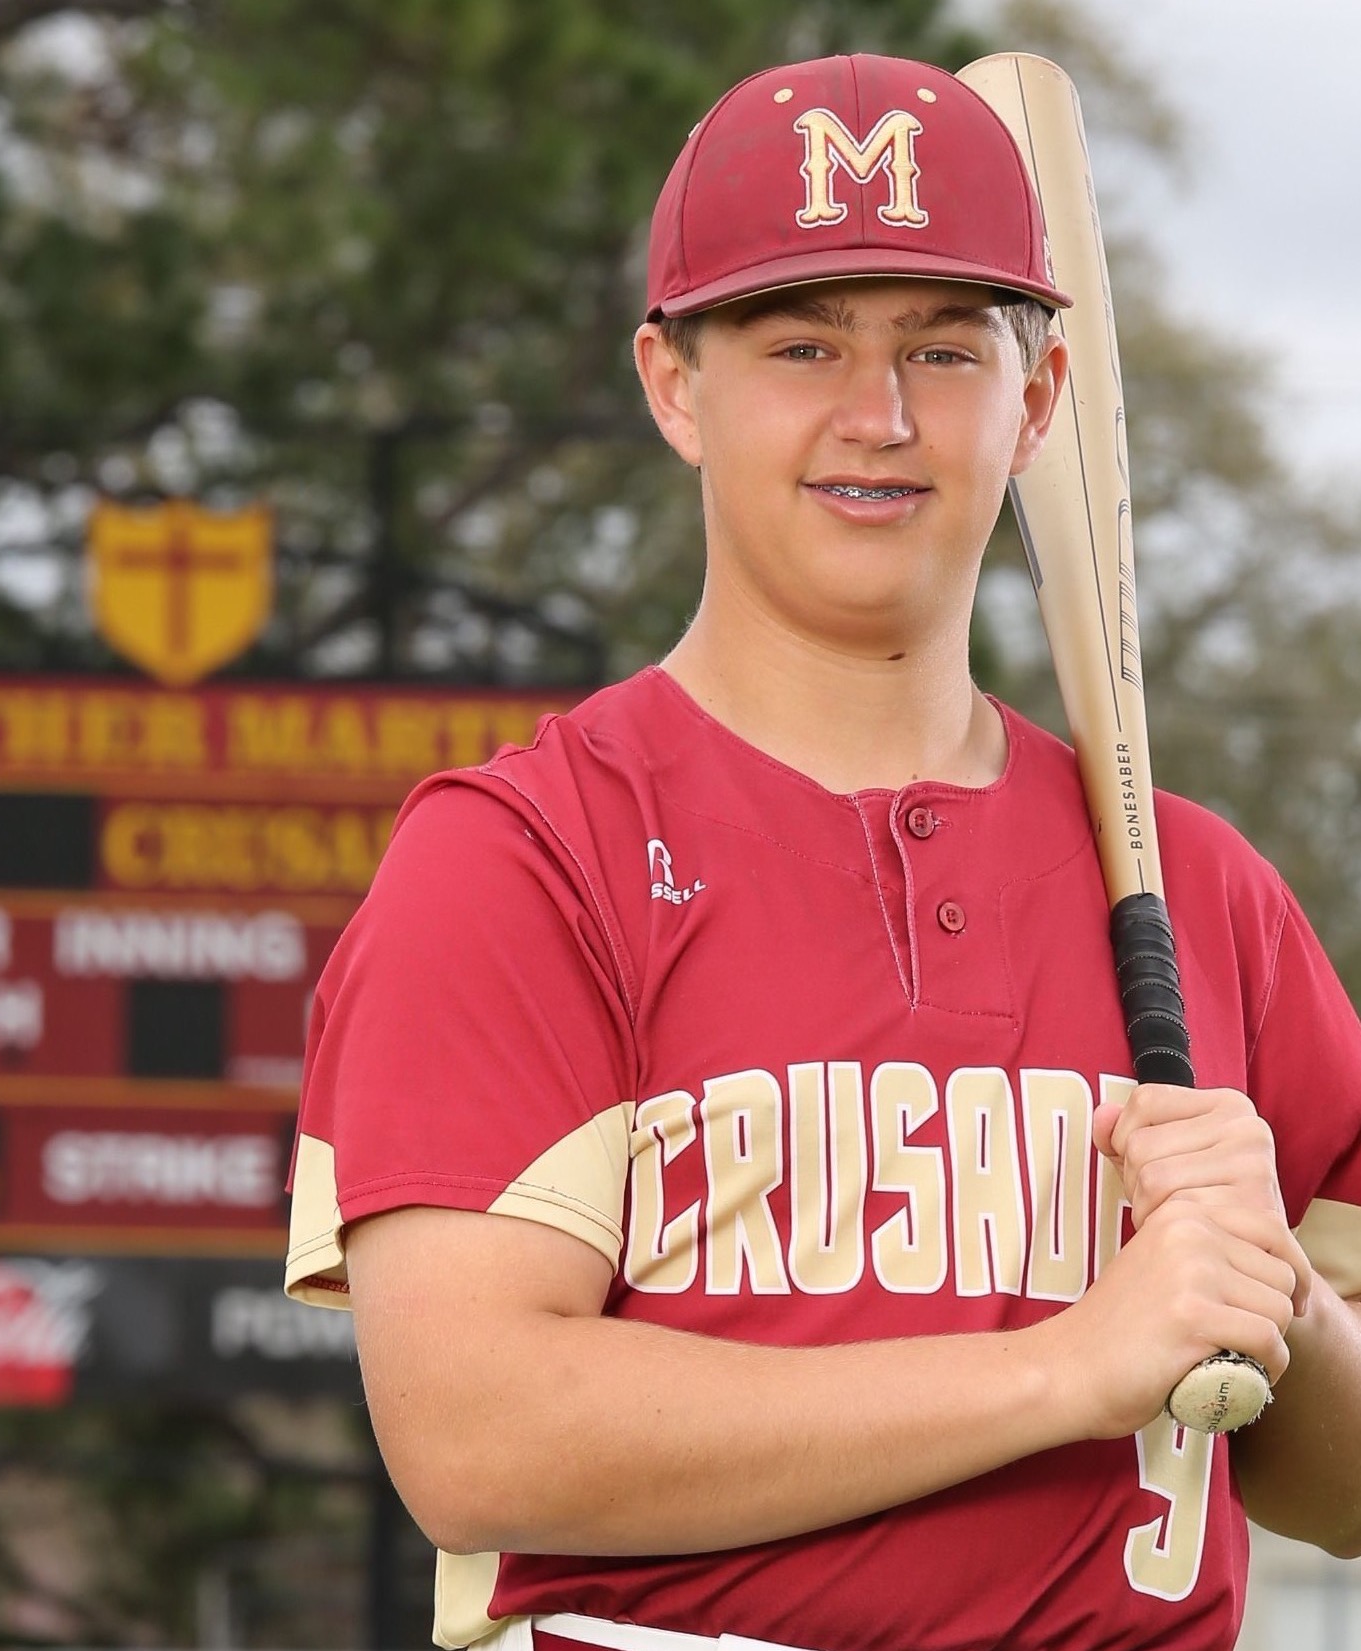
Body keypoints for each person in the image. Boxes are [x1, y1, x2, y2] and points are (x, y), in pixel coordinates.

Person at [284, 51, 1361, 1651]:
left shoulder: (1201, 891)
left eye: (942, 348)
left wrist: (1275, 1295)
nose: (879, 416)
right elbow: (479, 1436)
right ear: (674, 386)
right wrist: (1064, 1368)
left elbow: (1345, 1490)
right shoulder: (526, 857)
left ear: (1039, 400)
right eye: (802, 345)